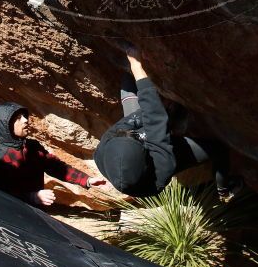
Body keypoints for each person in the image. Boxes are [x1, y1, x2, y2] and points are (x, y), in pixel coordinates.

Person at [93, 45, 243, 200]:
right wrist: (138, 66)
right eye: (138, 139)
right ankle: (223, 190)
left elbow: (136, 120)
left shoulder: (104, 147)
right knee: (219, 149)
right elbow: (156, 118)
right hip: (162, 153)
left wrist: (133, 66)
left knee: (128, 82)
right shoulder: (161, 168)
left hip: (136, 147)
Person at [0, 102, 105, 206]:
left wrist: (87, 180)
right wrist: (32, 197)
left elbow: (57, 168)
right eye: (18, 118)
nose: (26, 120)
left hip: (38, 214)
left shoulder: (32, 147)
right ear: (6, 125)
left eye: (24, 116)